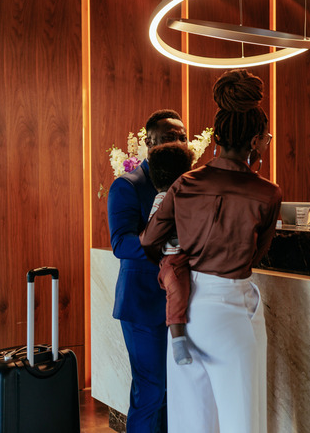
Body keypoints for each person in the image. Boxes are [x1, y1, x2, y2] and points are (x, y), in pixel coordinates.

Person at [141, 69, 282, 433]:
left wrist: (178, 259)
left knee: (191, 419)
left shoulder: (185, 182)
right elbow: (256, 255)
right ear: (255, 141)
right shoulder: (267, 193)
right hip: (232, 308)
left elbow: (148, 239)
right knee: (241, 419)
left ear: (216, 136)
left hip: (186, 309)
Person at [108, 109, 187, 433]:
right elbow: (121, 244)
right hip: (143, 305)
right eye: (170, 137)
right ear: (149, 142)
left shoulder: (190, 185)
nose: (179, 142)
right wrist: (156, 237)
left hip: (182, 305)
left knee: (176, 392)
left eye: (182, 136)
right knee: (152, 391)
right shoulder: (128, 185)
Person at [146, 142, 195, 366]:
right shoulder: (162, 198)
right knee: (177, 291)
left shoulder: (188, 196)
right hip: (173, 258)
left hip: (188, 255)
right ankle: (178, 339)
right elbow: (153, 232)